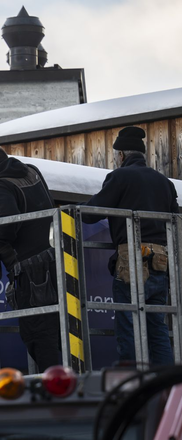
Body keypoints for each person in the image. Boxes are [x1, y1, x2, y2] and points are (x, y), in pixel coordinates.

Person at [82, 126, 179, 365]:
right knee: (157, 327)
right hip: (160, 261)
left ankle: (133, 380)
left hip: (131, 261)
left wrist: (77, 210)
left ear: (121, 155)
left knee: (128, 325)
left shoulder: (120, 177)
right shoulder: (165, 182)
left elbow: (91, 214)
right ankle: (166, 381)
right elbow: (174, 220)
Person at [0, 146, 61, 371]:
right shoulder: (31, 170)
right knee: (60, 329)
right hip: (55, 259)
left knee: (37, 333)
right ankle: (71, 382)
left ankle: (57, 385)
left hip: (30, 269)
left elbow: (9, 221)